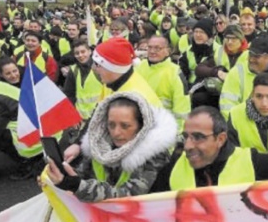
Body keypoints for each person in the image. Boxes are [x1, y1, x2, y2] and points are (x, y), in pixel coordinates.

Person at [150, 106, 268, 192]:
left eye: (199, 138)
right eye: (186, 137)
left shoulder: (251, 162)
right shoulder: (173, 168)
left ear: (220, 139)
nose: (189, 146)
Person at [48, 91, 177, 201]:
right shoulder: (99, 144)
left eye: (125, 126)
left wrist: (78, 186)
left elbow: (128, 195)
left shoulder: (154, 154)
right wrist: (58, 178)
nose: (116, 132)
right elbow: (82, 174)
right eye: (111, 125)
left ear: (141, 126)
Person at [219, 36, 268, 118]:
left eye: (256, 56)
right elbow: (227, 106)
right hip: (242, 125)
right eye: (250, 54)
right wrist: (243, 125)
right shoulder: (236, 72)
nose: (251, 59)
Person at [136, 35, 189, 132]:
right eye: (150, 47)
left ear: (167, 51)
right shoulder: (140, 67)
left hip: (163, 128)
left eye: (157, 48)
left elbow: (182, 110)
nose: (152, 51)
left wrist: (177, 135)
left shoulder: (174, 73)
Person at [92, 37, 162, 107]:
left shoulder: (134, 98)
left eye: (98, 64)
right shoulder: (110, 82)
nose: (95, 69)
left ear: (113, 68)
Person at [194, 24, 249, 109]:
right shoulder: (220, 51)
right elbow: (199, 69)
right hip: (221, 92)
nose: (229, 42)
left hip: (242, 94)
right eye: (227, 38)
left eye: (234, 39)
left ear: (241, 40)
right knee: (198, 98)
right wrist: (217, 72)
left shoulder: (250, 55)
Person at [63, 41, 104, 121]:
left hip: (99, 117)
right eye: (77, 53)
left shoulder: (99, 68)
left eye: (83, 52)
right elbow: (69, 95)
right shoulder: (73, 70)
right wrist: (72, 116)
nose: (80, 55)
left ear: (89, 52)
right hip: (80, 118)